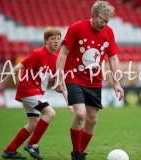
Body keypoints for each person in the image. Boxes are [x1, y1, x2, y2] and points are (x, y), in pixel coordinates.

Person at [54, 1, 124, 160]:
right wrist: (59, 78)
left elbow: (113, 58)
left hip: (94, 81)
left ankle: (79, 154)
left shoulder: (109, 32)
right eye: (101, 20)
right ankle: (76, 153)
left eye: (107, 22)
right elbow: (63, 53)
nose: (104, 24)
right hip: (73, 76)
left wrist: (117, 83)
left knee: (92, 120)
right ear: (93, 15)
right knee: (80, 114)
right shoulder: (77, 28)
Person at [0, 27, 61, 159]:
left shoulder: (55, 57)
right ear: (45, 41)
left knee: (33, 123)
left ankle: (9, 151)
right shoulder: (38, 53)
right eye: (53, 39)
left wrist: (66, 96)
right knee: (50, 113)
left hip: (35, 92)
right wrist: (4, 82)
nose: (56, 41)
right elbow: (18, 67)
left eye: (58, 39)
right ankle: (32, 145)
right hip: (28, 89)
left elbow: (58, 78)